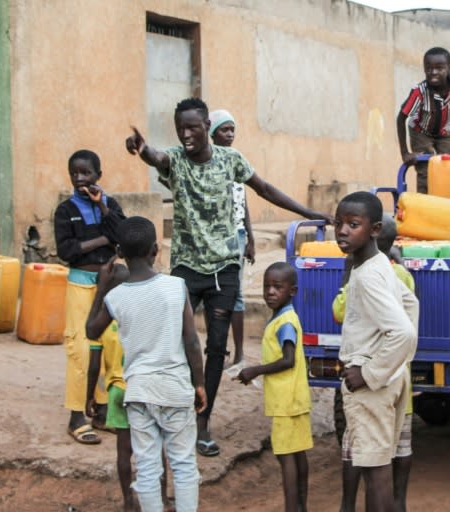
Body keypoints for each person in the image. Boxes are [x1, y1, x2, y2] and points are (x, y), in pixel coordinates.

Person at [125, 97, 329, 457]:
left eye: (192, 127)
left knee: (216, 349)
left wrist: (308, 211)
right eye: (180, 128)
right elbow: (157, 157)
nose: (186, 134)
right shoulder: (175, 160)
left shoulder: (230, 160)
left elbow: (264, 189)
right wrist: (142, 150)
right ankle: (172, 416)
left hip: (224, 271)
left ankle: (203, 423)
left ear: (206, 126)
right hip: (186, 270)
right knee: (174, 343)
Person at [86, 216, 207, 512]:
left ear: (120, 251)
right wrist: (200, 383)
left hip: (139, 392)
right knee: (183, 464)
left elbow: (91, 330)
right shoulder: (176, 287)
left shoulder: (116, 297)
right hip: (175, 389)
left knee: (148, 467)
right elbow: (191, 342)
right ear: (156, 250)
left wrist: (102, 287)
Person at [334, 191, 419, 512]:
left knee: (375, 469)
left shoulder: (368, 275)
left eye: (353, 224)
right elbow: (411, 305)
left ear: (374, 230)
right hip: (390, 378)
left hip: (370, 383)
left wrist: (369, 372)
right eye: (338, 223)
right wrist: (397, 366)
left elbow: (402, 331)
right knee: (380, 462)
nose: (343, 231)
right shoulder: (380, 263)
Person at [54, 149, 126, 445]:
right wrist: (102, 240)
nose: (80, 179)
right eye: (75, 173)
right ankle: (75, 416)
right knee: (80, 349)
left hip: (110, 287)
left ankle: (101, 410)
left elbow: (123, 235)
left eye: (86, 173)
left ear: (99, 175)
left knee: (111, 347)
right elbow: (67, 251)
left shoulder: (111, 204)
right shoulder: (65, 210)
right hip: (81, 286)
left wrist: (105, 212)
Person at [235, 262, 312, 512]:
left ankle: (292, 507)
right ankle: (301, 506)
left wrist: (254, 370)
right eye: (267, 286)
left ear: (292, 291)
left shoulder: (285, 323)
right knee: (297, 452)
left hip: (285, 402)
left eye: (277, 287)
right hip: (295, 398)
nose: (270, 292)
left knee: (286, 457)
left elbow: (288, 360)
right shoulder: (284, 317)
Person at [397, 46, 450, 194]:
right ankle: (425, 202)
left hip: (444, 132)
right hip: (421, 132)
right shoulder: (419, 92)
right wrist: (405, 153)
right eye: (428, 68)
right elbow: (401, 118)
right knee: (426, 165)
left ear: (449, 68)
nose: (433, 72)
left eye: (439, 68)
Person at [208, 109, 255, 368]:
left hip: (236, 236)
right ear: (213, 134)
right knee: (217, 293)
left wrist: (251, 238)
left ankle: (239, 354)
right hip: (216, 237)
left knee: (235, 295)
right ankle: (218, 350)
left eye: (232, 130)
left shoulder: (236, 162)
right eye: (225, 130)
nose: (230, 135)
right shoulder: (211, 163)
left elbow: (243, 203)